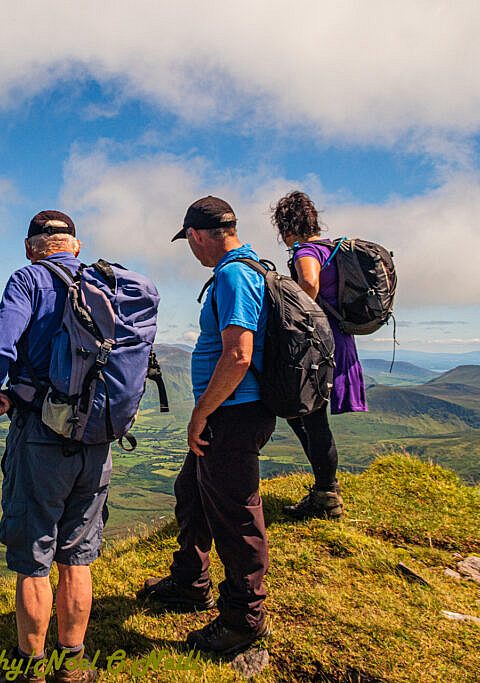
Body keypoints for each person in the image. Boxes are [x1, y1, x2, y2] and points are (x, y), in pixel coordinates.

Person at [138, 196, 275, 656]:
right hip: (230, 412)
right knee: (192, 490)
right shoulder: (248, 269)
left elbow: (239, 354)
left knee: (236, 514)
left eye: (190, 243)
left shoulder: (235, 275)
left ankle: (243, 619)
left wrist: (201, 412)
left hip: (233, 414)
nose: (192, 252)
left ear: (197, 236)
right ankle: (189, 583)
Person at [0, 210, 104, 683]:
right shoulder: (105, 283)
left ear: (32, 246)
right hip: (95, 435)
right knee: (77, 551)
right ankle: (72, 663)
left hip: (39, 433)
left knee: (34, 555)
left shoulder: (27, 280)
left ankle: (29, 668)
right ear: (76, 244)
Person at [272, 190, 367, 519]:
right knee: (306, 416)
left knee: (311, 417)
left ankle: (326, 496)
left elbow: (309, 283)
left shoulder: (306, 250)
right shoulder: (333, 249)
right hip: (340, 340)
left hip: (317, 344)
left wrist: (296, 314)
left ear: (287, 225)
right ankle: (324, 488)